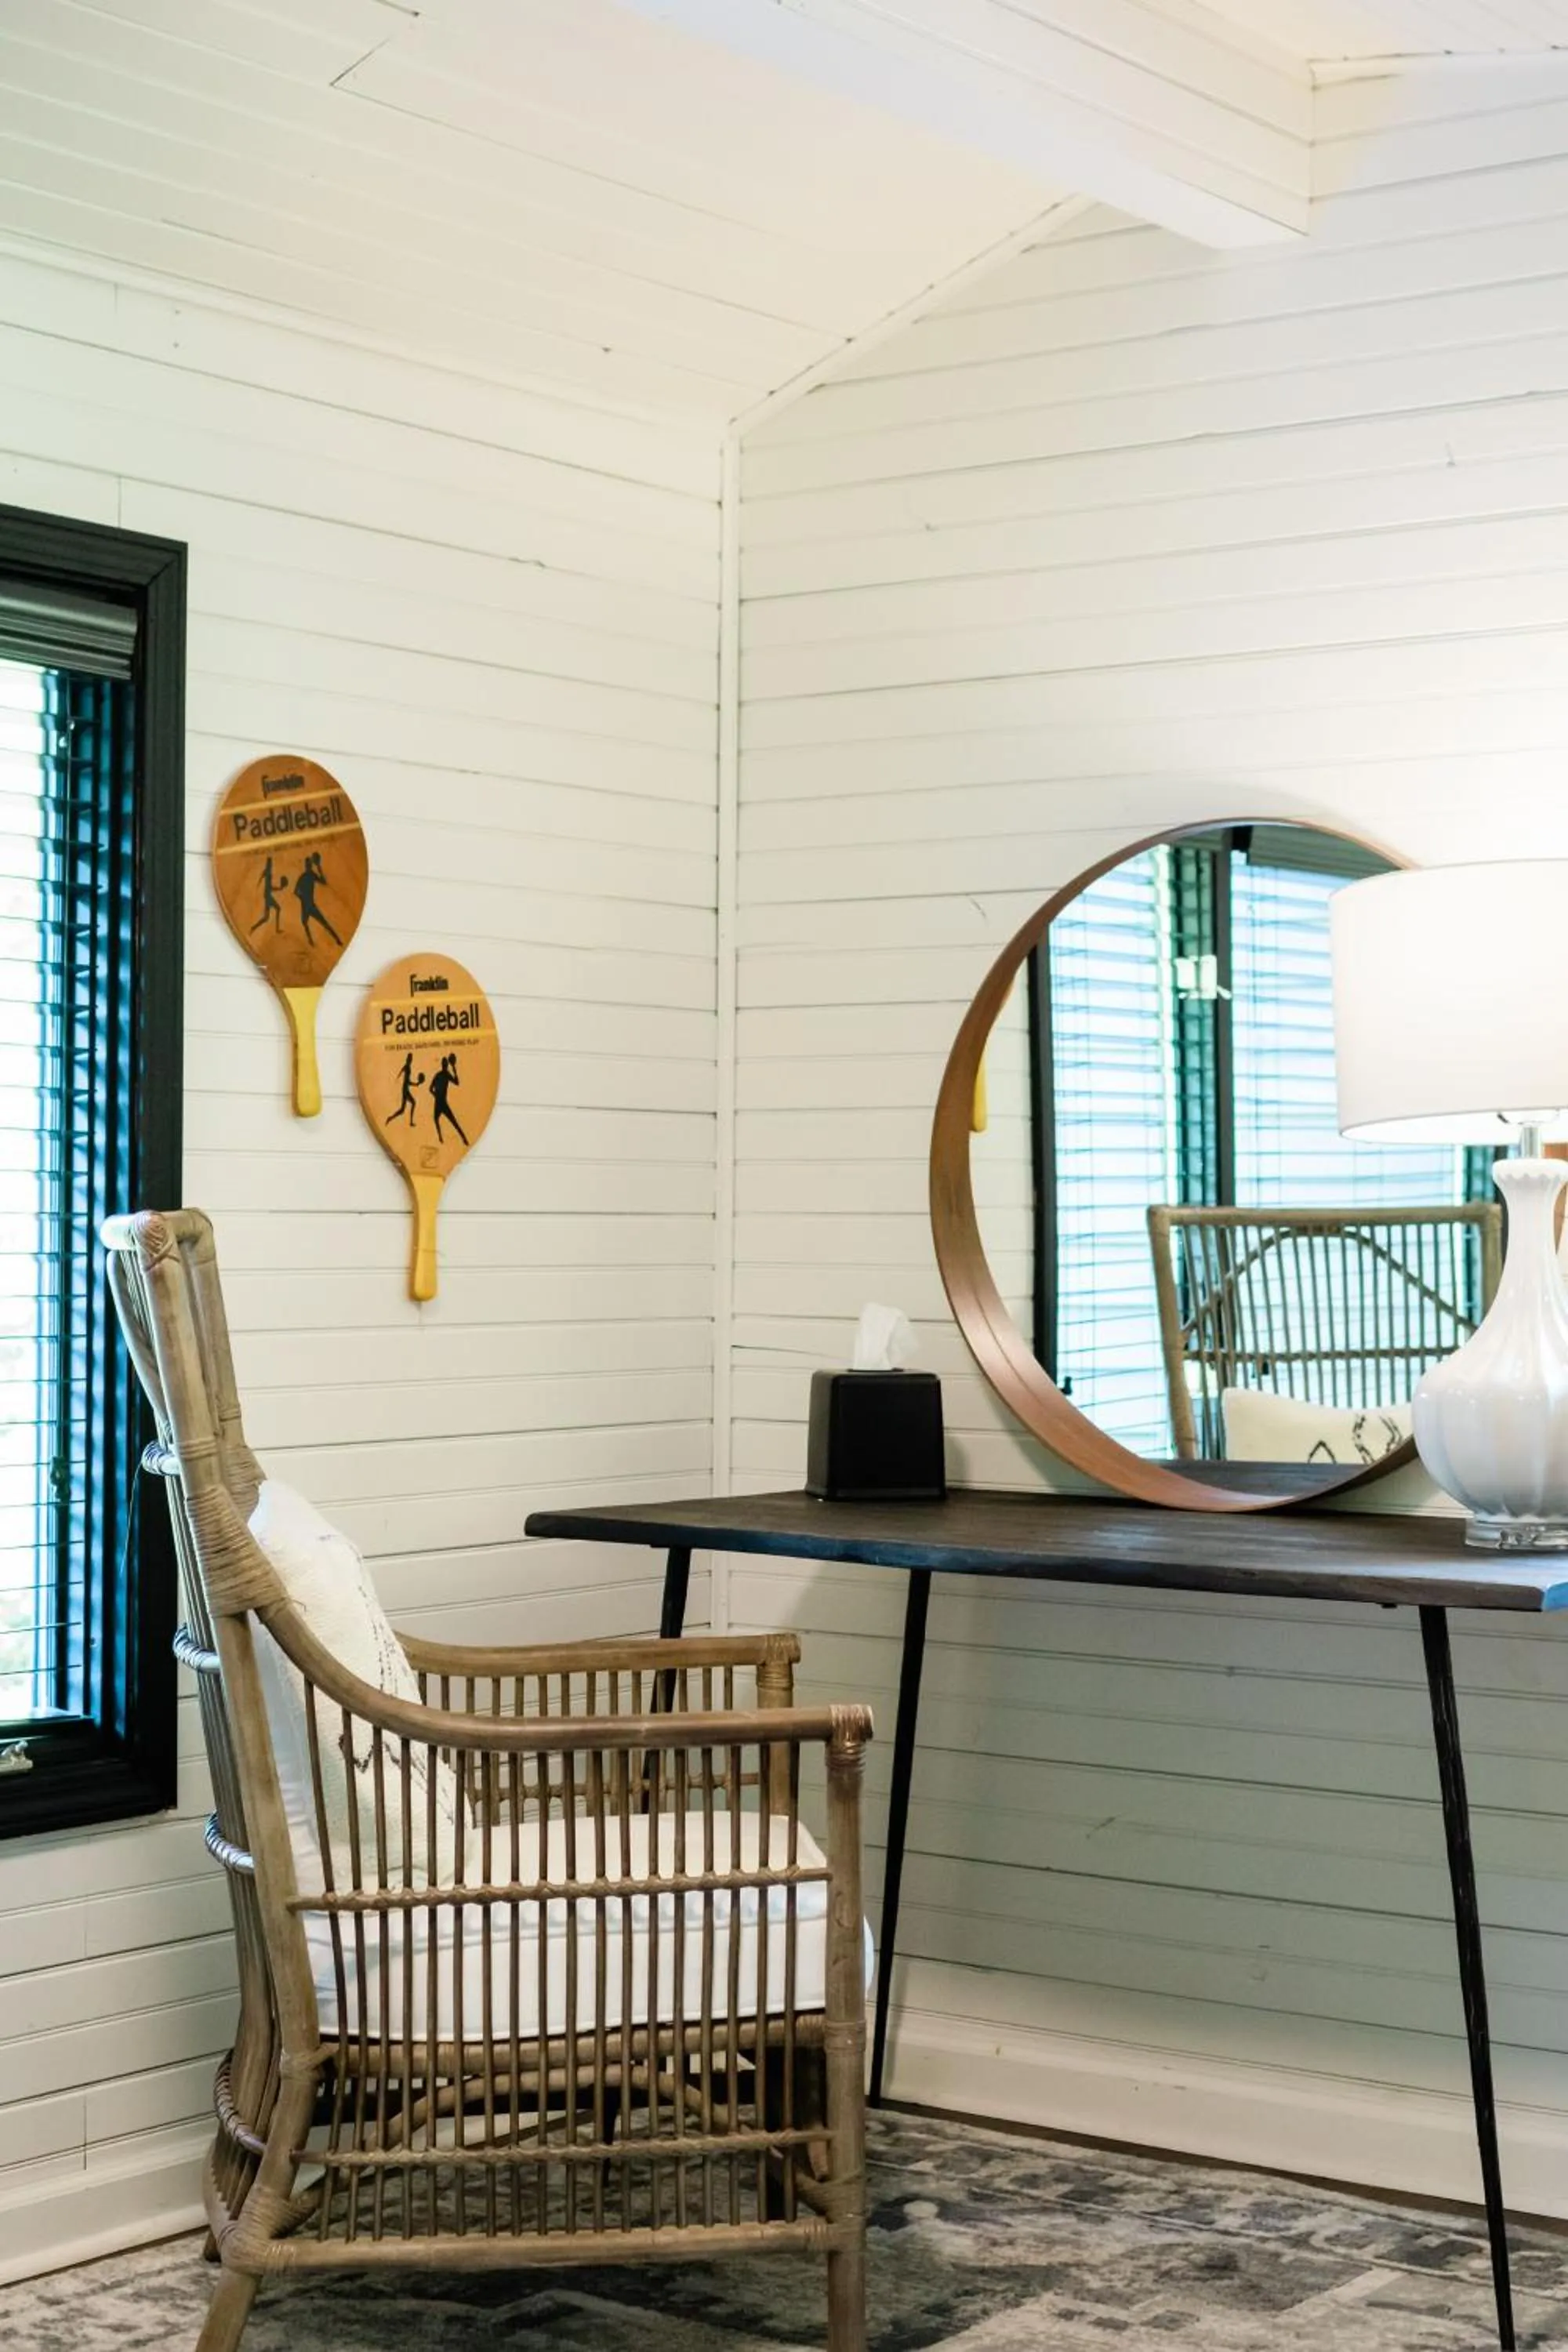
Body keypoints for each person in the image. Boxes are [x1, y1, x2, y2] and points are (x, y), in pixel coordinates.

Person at [293, 850, 343, 949]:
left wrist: (319, 867)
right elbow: (295, 891)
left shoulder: (309, 875)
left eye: (309, 865)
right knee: (307, 923)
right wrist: (301, 897)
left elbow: (323, 882)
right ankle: (314, 941)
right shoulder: (307, 876)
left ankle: (337, 939)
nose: (308, 866)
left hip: (309, 905)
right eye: (308, 865)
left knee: (318, 923)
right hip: (308, 905)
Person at [429, 1052, 470, 1148]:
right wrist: (454, 1068)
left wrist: (435, 1095)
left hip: (441, 1102)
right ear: (445, 1065)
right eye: (445, 1064)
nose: (445, 1066)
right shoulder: (442, 1074)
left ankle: (462, 1138)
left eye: (445, 1064)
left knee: (448, 1121)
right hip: (440, 1102)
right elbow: (456, 1082)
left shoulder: (441, 1075)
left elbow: (430, 1089)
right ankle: (460, 1138)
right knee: (441, 1120)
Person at [250, 855, 288, 935]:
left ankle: (253, 927)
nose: (272, 865)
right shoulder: (269, 873)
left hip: (267, 895)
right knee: (277, 909)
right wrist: (279, 888)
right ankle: (277, 929)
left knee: (266, 918)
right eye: (271, 864)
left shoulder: (267, 872)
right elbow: (269, 887)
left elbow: (264, 882)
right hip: (268, 896)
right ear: (269, 864)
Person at [386, 1052, 423, 1128]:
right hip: (405, 1090)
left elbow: (402, 1072)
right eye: (410, 1059)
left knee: (402, 1110)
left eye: (411, 1059)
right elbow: (407, 1081)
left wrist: (398, 1076)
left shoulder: (407, 1067)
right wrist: (416, 1084)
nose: (411, 1060)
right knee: (413, 1103)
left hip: (405, 1089)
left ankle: (390, 1118)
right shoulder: (408, 1068)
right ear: (409, 1059)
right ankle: (411, 1122)